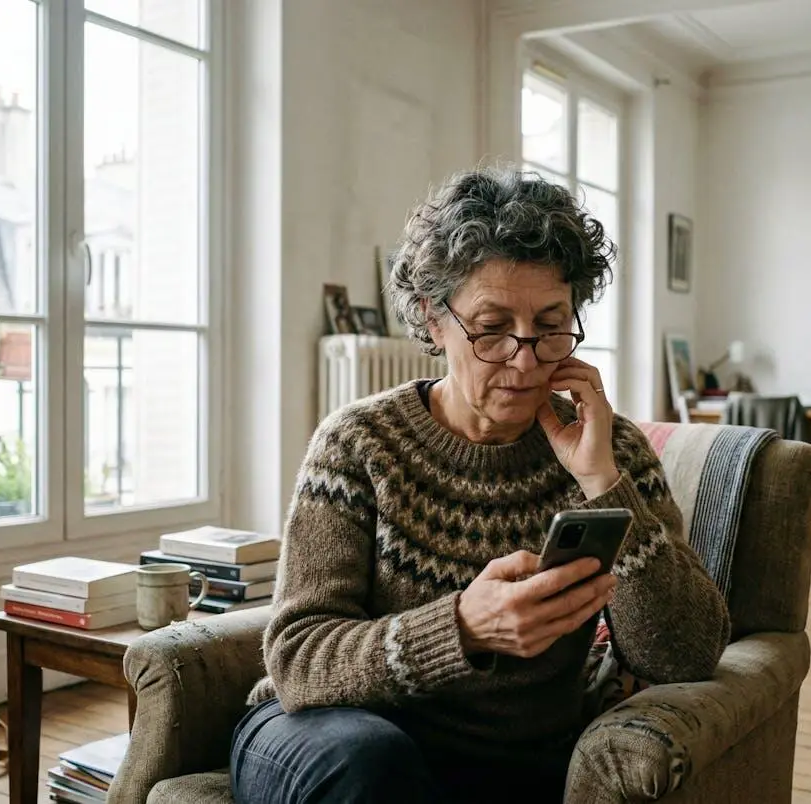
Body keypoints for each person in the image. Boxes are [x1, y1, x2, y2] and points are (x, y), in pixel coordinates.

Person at [230, 167, 730, 804]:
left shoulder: (611, 450)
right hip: (322, 735)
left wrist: (604, 483)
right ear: (434, 320)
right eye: (492, 329)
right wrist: (461, 628)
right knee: (373, 762)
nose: (525, 361)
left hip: (507, 761)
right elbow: (298, 658)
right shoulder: (357, 444)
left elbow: (686, 655)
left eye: (550, 326)